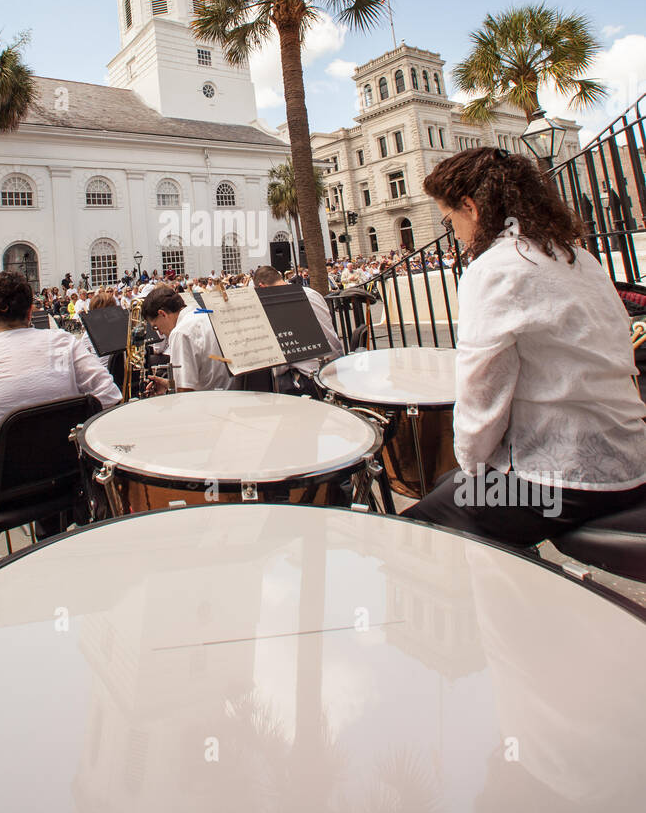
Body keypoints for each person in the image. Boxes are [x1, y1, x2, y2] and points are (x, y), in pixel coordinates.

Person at [402, 147, 646, 547]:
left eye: (451, 220)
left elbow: (482, 392)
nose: (455, 233)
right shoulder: (578, 256)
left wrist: (472, 465)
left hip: (564, 483)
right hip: (631, 460)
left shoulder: (496, 267)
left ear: (471, 207)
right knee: (451, 485)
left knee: (409, 535)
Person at [0, 271, 120, 582]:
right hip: (60, 477)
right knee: (45, 463)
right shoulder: (64, 344)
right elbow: (110, 397)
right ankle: (49, 541)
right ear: (32, 310)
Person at [252, 265, 343, 394]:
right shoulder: (312, 293)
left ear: (261, 287)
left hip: (307, 379)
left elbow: (282, 360)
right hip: (335, 368)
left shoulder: (275, 304)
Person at [140, 284, 234, 394]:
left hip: (209, 404)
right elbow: (206, 375)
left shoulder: (180, 332)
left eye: (156, 327)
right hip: (229, 394)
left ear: (162, 314)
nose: (160, 332)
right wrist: (168, 385)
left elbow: (184, 394)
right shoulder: (205, 315)